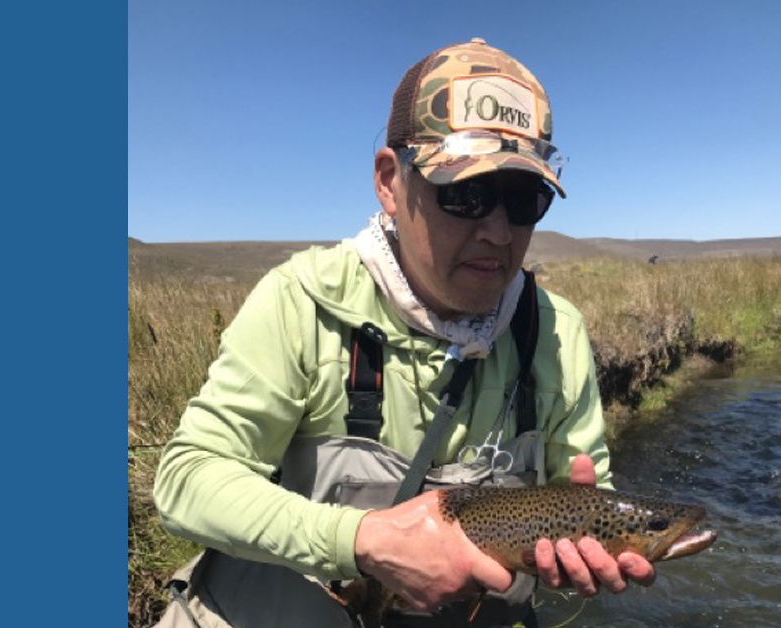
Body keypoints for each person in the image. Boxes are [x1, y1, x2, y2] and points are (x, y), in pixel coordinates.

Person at [150, 38, 656, 628]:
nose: (497, 230)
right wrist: (362, 540)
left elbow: (587, 486)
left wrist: (586, 548)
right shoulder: (302, 300)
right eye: (465, 193)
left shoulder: (556, 331)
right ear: (390, 181)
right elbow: (187, 480)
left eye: (524, 200)